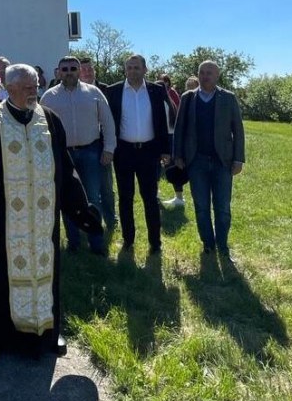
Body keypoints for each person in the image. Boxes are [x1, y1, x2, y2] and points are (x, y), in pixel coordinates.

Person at [0, 64, 102, 360]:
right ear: (10, 88)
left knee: (47, 274)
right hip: (5, 222)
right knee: (2, 278)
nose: (34, 92)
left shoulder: (49, 120)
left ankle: (50, 331)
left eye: (36, 86)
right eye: (28, 88)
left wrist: (81, 208)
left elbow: (65, 169)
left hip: (42, 221)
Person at [41, 56, 116, 255]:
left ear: (79, 70)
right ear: (58, 72)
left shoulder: (94, 93)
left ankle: (97, 243)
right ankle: (74, 243)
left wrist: (109, 148)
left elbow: (107, 122)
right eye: (64, 69)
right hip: (63, 155)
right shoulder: (49, 97)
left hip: (91, 151)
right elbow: (42, 128)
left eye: (73, 68)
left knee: (93, 198)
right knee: (68, 199)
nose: (69, 72)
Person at [173, 60, 245, 256]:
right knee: (201, 207)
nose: (205, 76)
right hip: (196, 161)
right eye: (202, 73)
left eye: (209, 73)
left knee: (222, 207)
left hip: (223, 162)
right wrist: (178, 154)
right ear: (198, 75)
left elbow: (238, 130)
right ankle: (208, 243)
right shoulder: (188, 98)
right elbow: (179, 128)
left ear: (217, 75)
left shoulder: (228, 98)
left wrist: (239, 159)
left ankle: (222, 244)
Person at [105, 55, 170, 253]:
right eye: (129, 67)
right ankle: (128, 240)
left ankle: (155, 242)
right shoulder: (113, 91)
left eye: (136, 67)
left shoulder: (156, 90)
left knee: (150, 198)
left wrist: (165, 150)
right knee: (125, 198)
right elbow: (108, 123)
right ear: (125, 70)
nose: (132, 71)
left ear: (145, 69)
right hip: (123, 151)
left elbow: (162, 121)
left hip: (149, 152)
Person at [79, 57, 117, 229]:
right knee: (86, 189)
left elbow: (111, 120)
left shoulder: (106, 90)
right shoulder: (73, 91)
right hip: (83, 147)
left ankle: (111, 219)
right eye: (84, 69)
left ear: (94, 70)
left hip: (102, 146)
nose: (87, 72)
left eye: (90, 68)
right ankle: (90, 221)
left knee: (106, 187)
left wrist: (109, 148)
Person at [162, 76, 199, 207]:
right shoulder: (182, 97)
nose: (189, 87)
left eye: (192, 85)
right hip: (177, 136)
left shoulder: (195, 99)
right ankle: (179, 197)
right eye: (187, 85)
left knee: (187, 168)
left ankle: (191, 198)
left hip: (182, 138)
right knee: (175, 167)